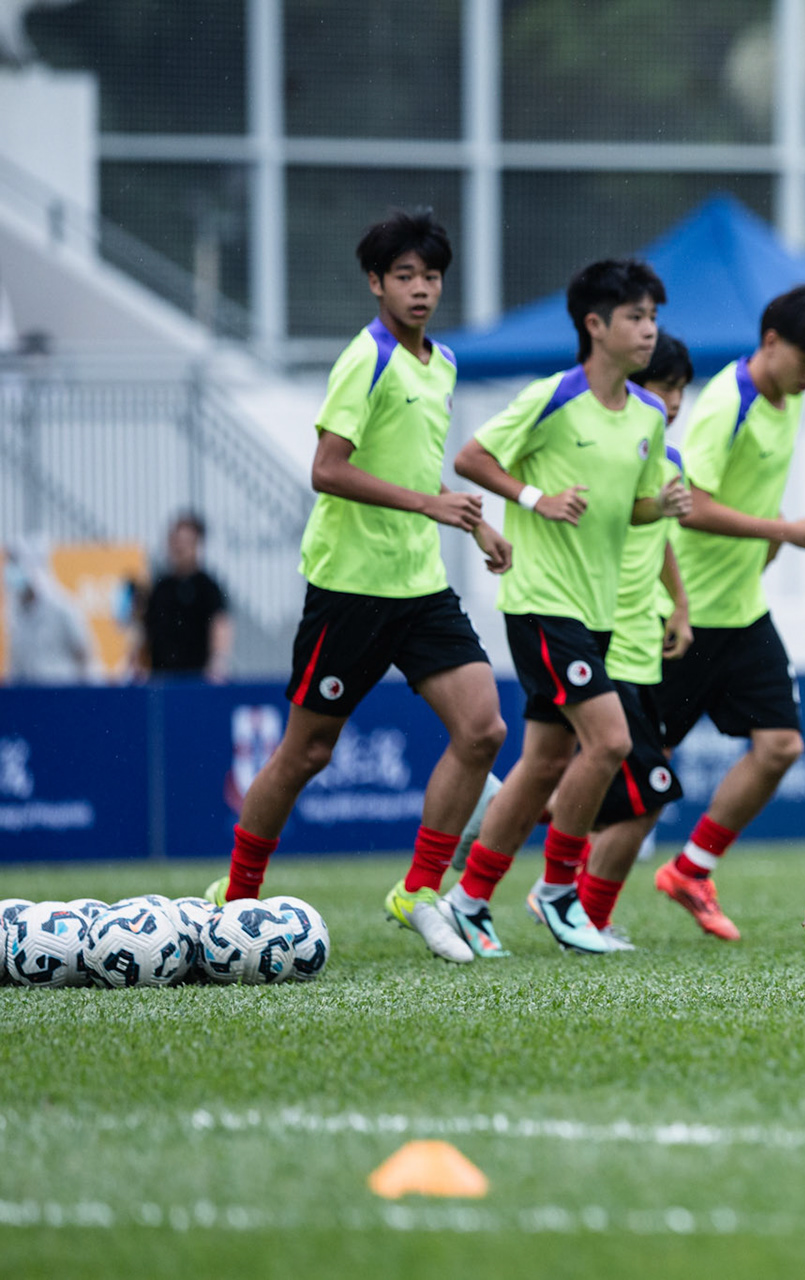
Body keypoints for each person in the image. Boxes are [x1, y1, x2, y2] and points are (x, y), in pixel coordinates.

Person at [216, 208, 511, 971]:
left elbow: (414, 471)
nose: (420, 289)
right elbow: (328, 469)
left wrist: (473, 523)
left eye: (431, 276)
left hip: (419, 585)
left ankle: (419, 890)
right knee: (306, 752)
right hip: (349, 588)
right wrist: (430, 506)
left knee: (482, 729)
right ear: (376, 283)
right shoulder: (365, 358)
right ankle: (238, 901)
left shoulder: (439, 363)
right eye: (404, 276)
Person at [445, 258, 688, 956]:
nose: (648, 331)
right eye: (636, 317)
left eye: (652, 318)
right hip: (541, 602)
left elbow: (631, 508)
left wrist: (661, 506)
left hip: (598, 610)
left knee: (545, 763)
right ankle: (559, 895)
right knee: (609, 742)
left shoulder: (646, 414)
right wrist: (532, 499)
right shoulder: (553, 397)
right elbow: (471, 457)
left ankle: (470, 899)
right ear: (595, 325)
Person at [650, 285, 805, 942]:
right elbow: (693, 506)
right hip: (685, 614)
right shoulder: (725, 405)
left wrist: (768, 544)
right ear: (770, 341)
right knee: (628, 763)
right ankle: (540, 870)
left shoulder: (785, 400)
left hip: (742, 612)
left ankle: (692, 869)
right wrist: (786, 532)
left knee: (780, 745)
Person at [574, 332, 696, 942]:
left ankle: (508, 828)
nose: (672, 401)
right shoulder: (608, 450)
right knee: (646, 794)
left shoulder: (665, 460)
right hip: (607, 636)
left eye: (679, 389)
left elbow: (661, 537)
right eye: (662, 387)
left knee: (604, 789)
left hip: (644, 640)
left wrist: (679, 604)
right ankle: (584, 916)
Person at [140, 511, 232, 681]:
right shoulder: (160, 588)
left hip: (196, 679)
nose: (179, 548)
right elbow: (145, 630)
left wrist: (218, 663)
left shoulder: (208, 587)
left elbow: (220, 625)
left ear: (196, 544)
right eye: (176, 542)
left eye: (185, 542)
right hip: (162, 678)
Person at [3, 541, 97, 684]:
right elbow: (16, 664)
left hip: (62, 692)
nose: (10, 571)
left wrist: (87, 695)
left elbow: (84, 653)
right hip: (30, 697)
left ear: (31, 567)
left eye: (15, 565)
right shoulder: (14, 615)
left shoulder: (62, 607)